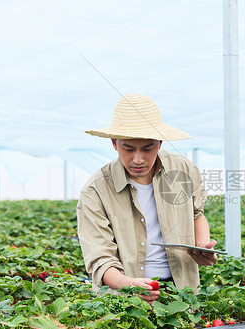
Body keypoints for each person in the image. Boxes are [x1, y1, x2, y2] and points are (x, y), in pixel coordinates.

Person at [77, 94, 217, 303]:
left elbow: (196, 214)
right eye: (128, 148)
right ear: (114, 143)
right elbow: (100, 260)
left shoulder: (183, 169)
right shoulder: (95, 190)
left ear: (160, 143)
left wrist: (202, 247)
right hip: (125, 298)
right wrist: (127, 285)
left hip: (182, 290)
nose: (138, 159)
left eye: (148, 148)